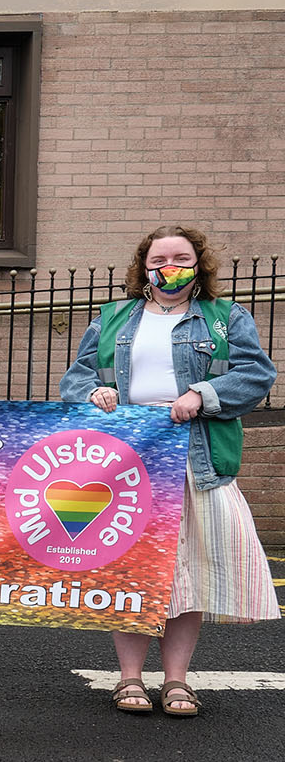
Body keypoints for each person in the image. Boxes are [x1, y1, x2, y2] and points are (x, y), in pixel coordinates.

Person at [60, 225, 278, 717]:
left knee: (191, 574)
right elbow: (76, 378)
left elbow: (257, 374)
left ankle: (177, 680)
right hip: (127, 464)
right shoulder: (114, 318)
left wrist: (203, 395)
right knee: (132, 572)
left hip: (195, 460)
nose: (169, 267)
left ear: (199, 265)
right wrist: (93, 394)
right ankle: (130, 679)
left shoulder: (226, 318)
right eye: (160, 259)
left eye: (181, 257)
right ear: (145, 266)